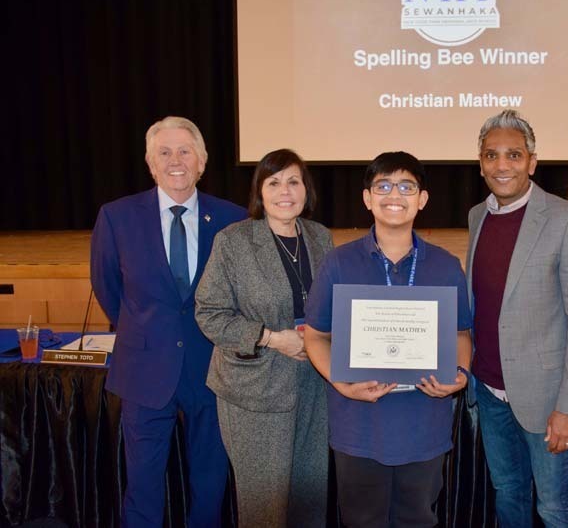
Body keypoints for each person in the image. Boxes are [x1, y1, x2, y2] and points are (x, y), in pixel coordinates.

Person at [90, 116, 246, 527]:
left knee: (210, 485)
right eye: (165, 152)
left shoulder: (234, 219)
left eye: (184, 151)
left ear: (202, 162)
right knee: (142, 488)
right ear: (150, 163)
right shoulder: (116, 217)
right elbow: (108, 288)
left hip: (214, 370)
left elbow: (242, 293)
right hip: (144, 370)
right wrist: (145, 330)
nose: (175, 160)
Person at [304, 151, 473, 527]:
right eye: (383, 185)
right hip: (359, 425)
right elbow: (315, 336)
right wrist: (341, 382)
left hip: (423, 425)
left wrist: (460, 372)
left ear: (422, 199)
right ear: (367, 198)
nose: (394, 194)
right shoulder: (338, 262)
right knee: (361, 520)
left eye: (406, 186)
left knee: (418, 520)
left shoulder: (446, 266)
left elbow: (461, 332)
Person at [466, 109, 568, 528]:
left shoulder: (567, 219)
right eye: (491, 156)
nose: (502, 165)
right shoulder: (477, 216)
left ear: (532, 162)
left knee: (555, 508)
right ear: (481, 163)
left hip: (547, 401)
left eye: (513, 155)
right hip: (489, 392)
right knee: (508, 495)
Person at [195, 149, 332, 527]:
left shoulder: (321, 238)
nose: (284, 191)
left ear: (306, 189)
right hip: (255, 390)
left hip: (313, 385)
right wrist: (271, 338)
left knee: (309, 502)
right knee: (265, 510)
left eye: (293, 181)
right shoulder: (233, 242)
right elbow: (209, 312)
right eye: (273, 182)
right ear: (260, 191)